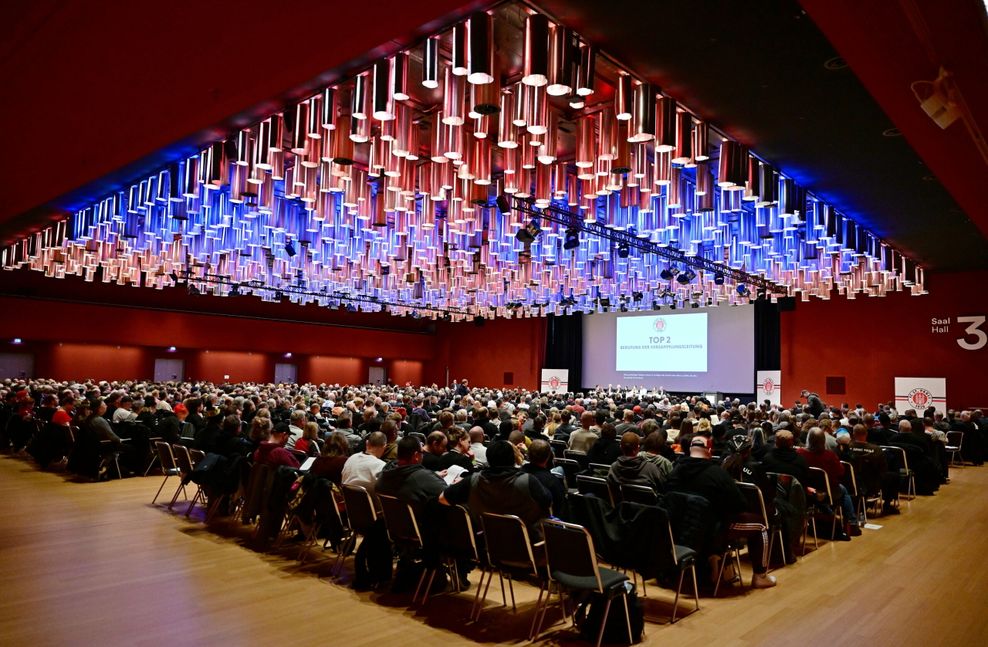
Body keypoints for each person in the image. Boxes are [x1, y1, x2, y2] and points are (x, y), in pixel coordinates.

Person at [667, 436, 776, 589]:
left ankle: (714, 554)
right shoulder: (717, 474)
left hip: (681, 527)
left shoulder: (675, 470)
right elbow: (739, 504)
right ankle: (760, 576)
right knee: (761, 526)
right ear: (709, 452)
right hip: (714, 527)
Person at [440, 440, 552, 540]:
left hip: (491, 547)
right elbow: (548, 503)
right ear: (513, 458)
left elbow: (442, 498)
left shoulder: (472, 480)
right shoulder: (528, 481)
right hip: (531, 548)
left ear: (488, 459)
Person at [798, 428, 858, 538]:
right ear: (823, 440)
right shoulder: (829, 455)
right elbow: (841, 472)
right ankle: (852, 522)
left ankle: (831, 516)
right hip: (828, 491)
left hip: (807, 491)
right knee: (844, 490)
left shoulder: (800, 453)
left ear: (808, 439)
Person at [607, 432, 667, 499]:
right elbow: (664, 488)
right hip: (648, 508)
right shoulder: (652, 469)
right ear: (638, 448)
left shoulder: (613, 467)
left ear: (621, 447)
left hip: (622, 506)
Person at [522, 439, 567, 516]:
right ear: (548, 457)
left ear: (528, 455)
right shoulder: (553, 482)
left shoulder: (518, 474)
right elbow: (560, 509)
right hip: (544, 524)